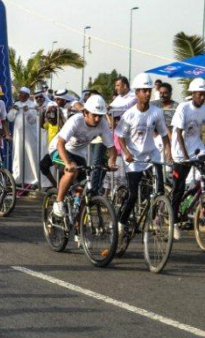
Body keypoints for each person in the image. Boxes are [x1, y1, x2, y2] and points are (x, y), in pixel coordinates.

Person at [115, 73, 171, 231]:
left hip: (151, 154)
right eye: (144, 91)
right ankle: (121, 222)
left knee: (160, 190)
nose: (147, 94)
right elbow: (120, 137)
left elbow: (164, 135)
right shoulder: (129, 115)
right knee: (133, 195)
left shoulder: (156, 112)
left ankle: (152, 220)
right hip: (133, 158)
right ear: (137, 92)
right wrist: (126, 152)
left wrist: (169, 154)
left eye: (149, 90)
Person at [49, 95, 117, 222]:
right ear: (85, 112)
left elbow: (111, 147)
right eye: (94, 115)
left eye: (100, 116)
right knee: (71, 172)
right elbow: (60, 144)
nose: (97, 119)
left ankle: (78, 225)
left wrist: (112, 161)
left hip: (78, 153)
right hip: (59, 149)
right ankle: (58, 201)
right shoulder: (76, 121)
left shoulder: (102, 124)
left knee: (83, 188)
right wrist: (68, 163)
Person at [169, 77, 205, 239]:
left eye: (204, 94)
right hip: (180, 152)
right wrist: (184, 156)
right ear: (193, 93)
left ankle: (196, 200)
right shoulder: (183, 108)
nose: (202, 97)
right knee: (179, 187)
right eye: (199, 94)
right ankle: (173, 221)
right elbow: (178, 133)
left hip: (197, 148)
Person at [8, 86, 41, 187]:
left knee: (31, 156)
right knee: (18, 155)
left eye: (22, 93)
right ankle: (17, 179)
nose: (20, 95)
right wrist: (13, 110)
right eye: (20, 93)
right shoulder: (16, 104)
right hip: (18, 136)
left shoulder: (32, 105)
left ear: (27, 95)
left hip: (29, 137)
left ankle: (33, 180)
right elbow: (10, 118)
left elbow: (33, 121)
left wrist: (27, 112)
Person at [39, 102, 60, 188]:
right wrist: (43, 112)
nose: (49, 118)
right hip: (52, 151)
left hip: (59, 151)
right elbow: (42, 125)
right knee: (43, 165)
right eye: (48, 115)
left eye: (52, 115)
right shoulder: (50, 124)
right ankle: (55, 185)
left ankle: (61, 187)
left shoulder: (60, 125)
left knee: (60, 169)